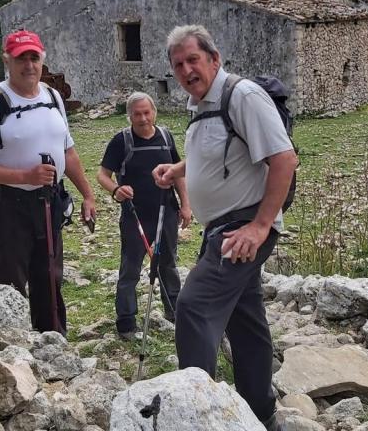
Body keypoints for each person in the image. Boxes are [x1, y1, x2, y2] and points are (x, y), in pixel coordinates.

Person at [152, 25, 297, 431]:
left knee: (193, 307)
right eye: (178, 64)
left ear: (214, 59)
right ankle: (261, 412)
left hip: (242, 225)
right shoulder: (200, 106)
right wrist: (179, 169)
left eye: (193, 60)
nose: (185, 70)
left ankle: (196, 417)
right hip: (224, 226)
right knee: (244, 319)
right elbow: (220, 154)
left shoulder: (243, 95)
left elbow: (284, 159)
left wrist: (260, 226)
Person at [0, 29, 97, 335]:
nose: (29, 65)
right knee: (11, 282)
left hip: (49, 202)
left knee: (50, 277)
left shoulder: (52, 96)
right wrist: (25, 176)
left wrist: (87, 194)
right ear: (7, 60)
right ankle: (14, 347)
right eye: (21, 58)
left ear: (42, 60)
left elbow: (68, 150)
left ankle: (53, 344)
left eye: (34, 57)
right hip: (8, 206)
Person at [97, 91, 192, 340]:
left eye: (146, 112)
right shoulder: (121, 141)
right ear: (129, 116)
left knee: (168, 264)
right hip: (134, 215)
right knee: (130, 269)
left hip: (166, 212)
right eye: (137, 114)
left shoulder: (165, 137)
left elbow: (177, 173)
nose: (142, 118)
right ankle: (126, 323)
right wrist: (116, 190)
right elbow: (102, 175)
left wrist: (186, 205)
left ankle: (175, 314)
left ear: (154, 112)